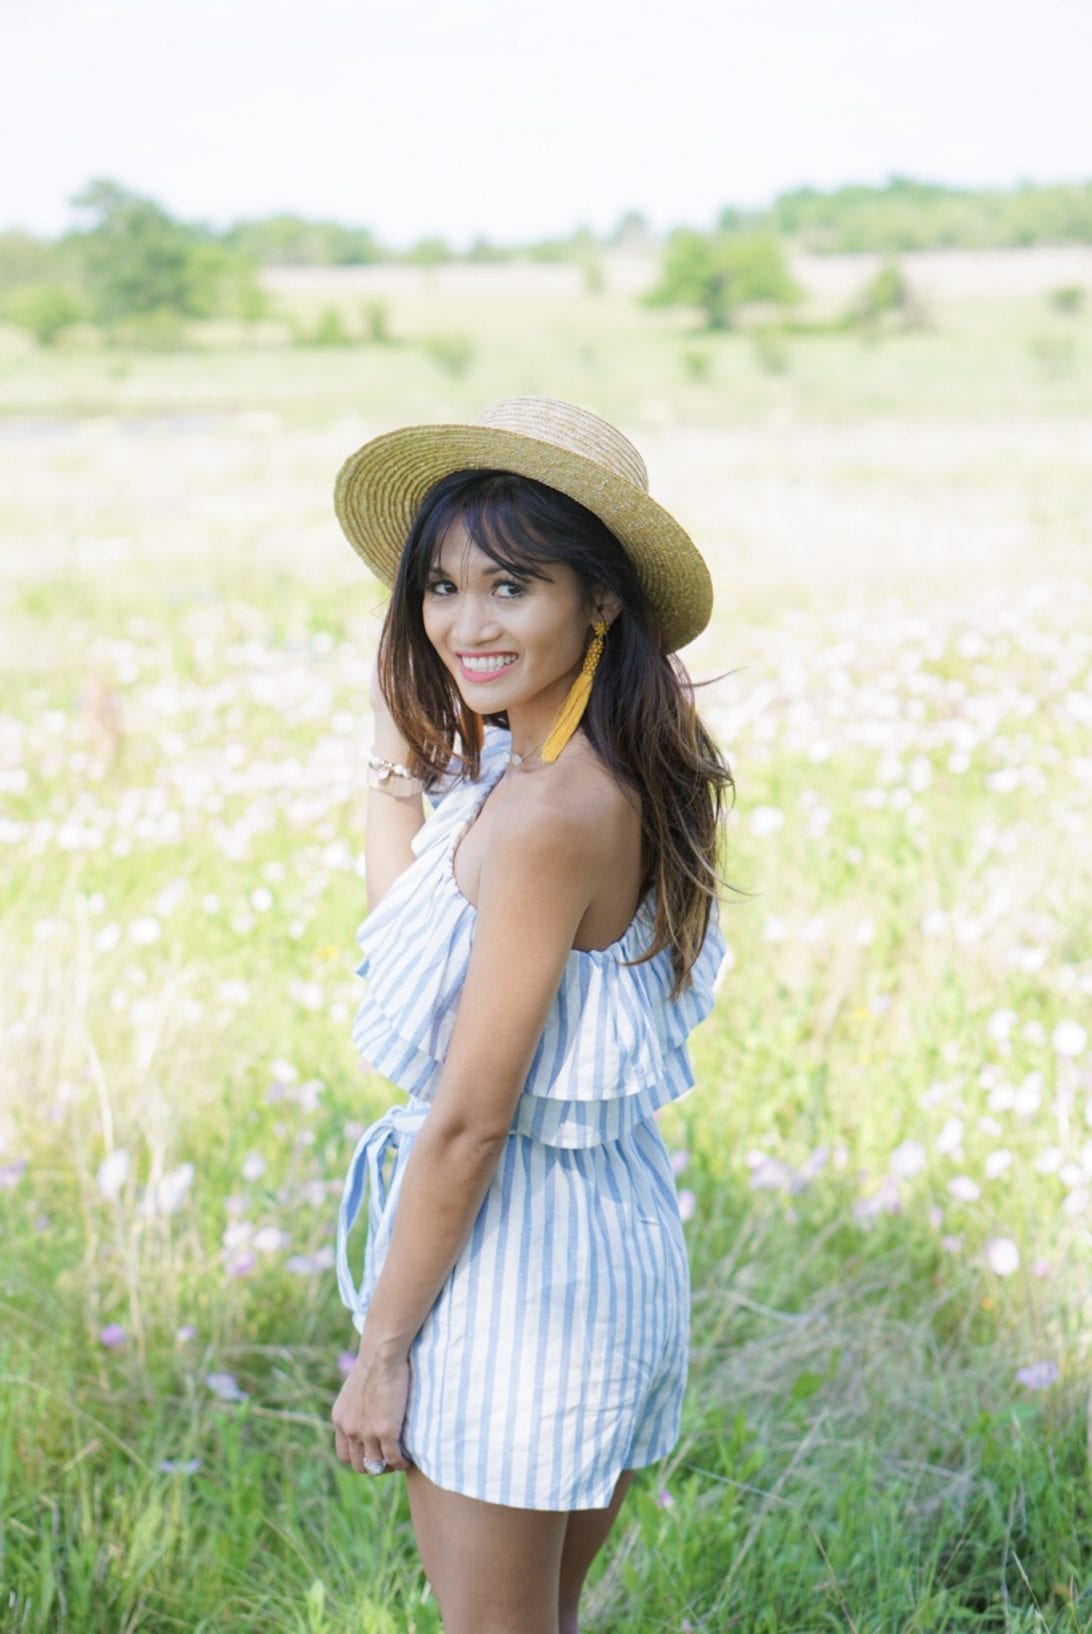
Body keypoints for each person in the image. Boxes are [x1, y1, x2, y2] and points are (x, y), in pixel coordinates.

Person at [329, 396, 734, 1634]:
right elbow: (429, 947)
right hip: (597, 1238)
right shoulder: (570, 763)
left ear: (599, 598)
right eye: (442, 588)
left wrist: (383, 1346)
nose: (466, 622)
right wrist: (402, 764)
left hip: (519, 1281)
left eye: (511, 583)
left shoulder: (553, 811)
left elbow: (466, 1121)